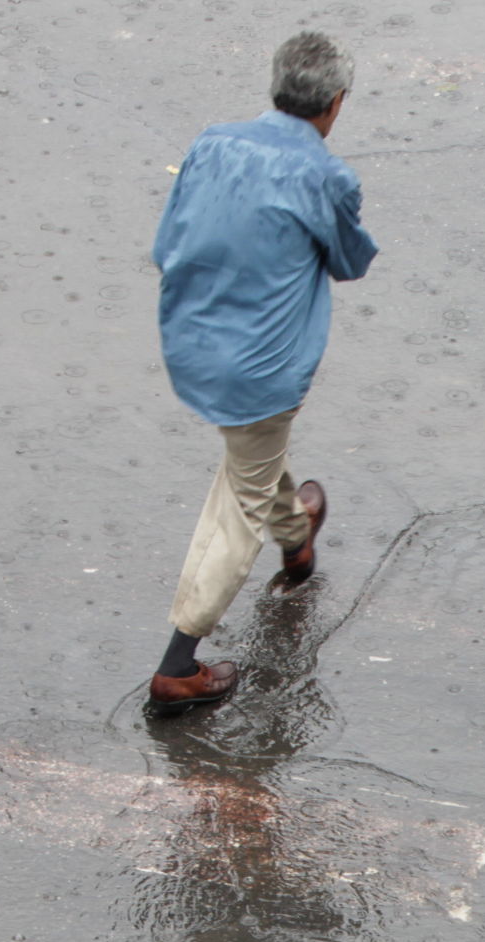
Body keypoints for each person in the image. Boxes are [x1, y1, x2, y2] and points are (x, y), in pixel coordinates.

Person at [147, 32, 378, 717]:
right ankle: (176, 664)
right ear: (336, 103)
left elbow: (167, 244)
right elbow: (349, 260)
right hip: (262, 367)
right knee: (239, 500)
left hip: (190, 342)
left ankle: (298, 537)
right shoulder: (326, 177)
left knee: (254, 458)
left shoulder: (212, 141)